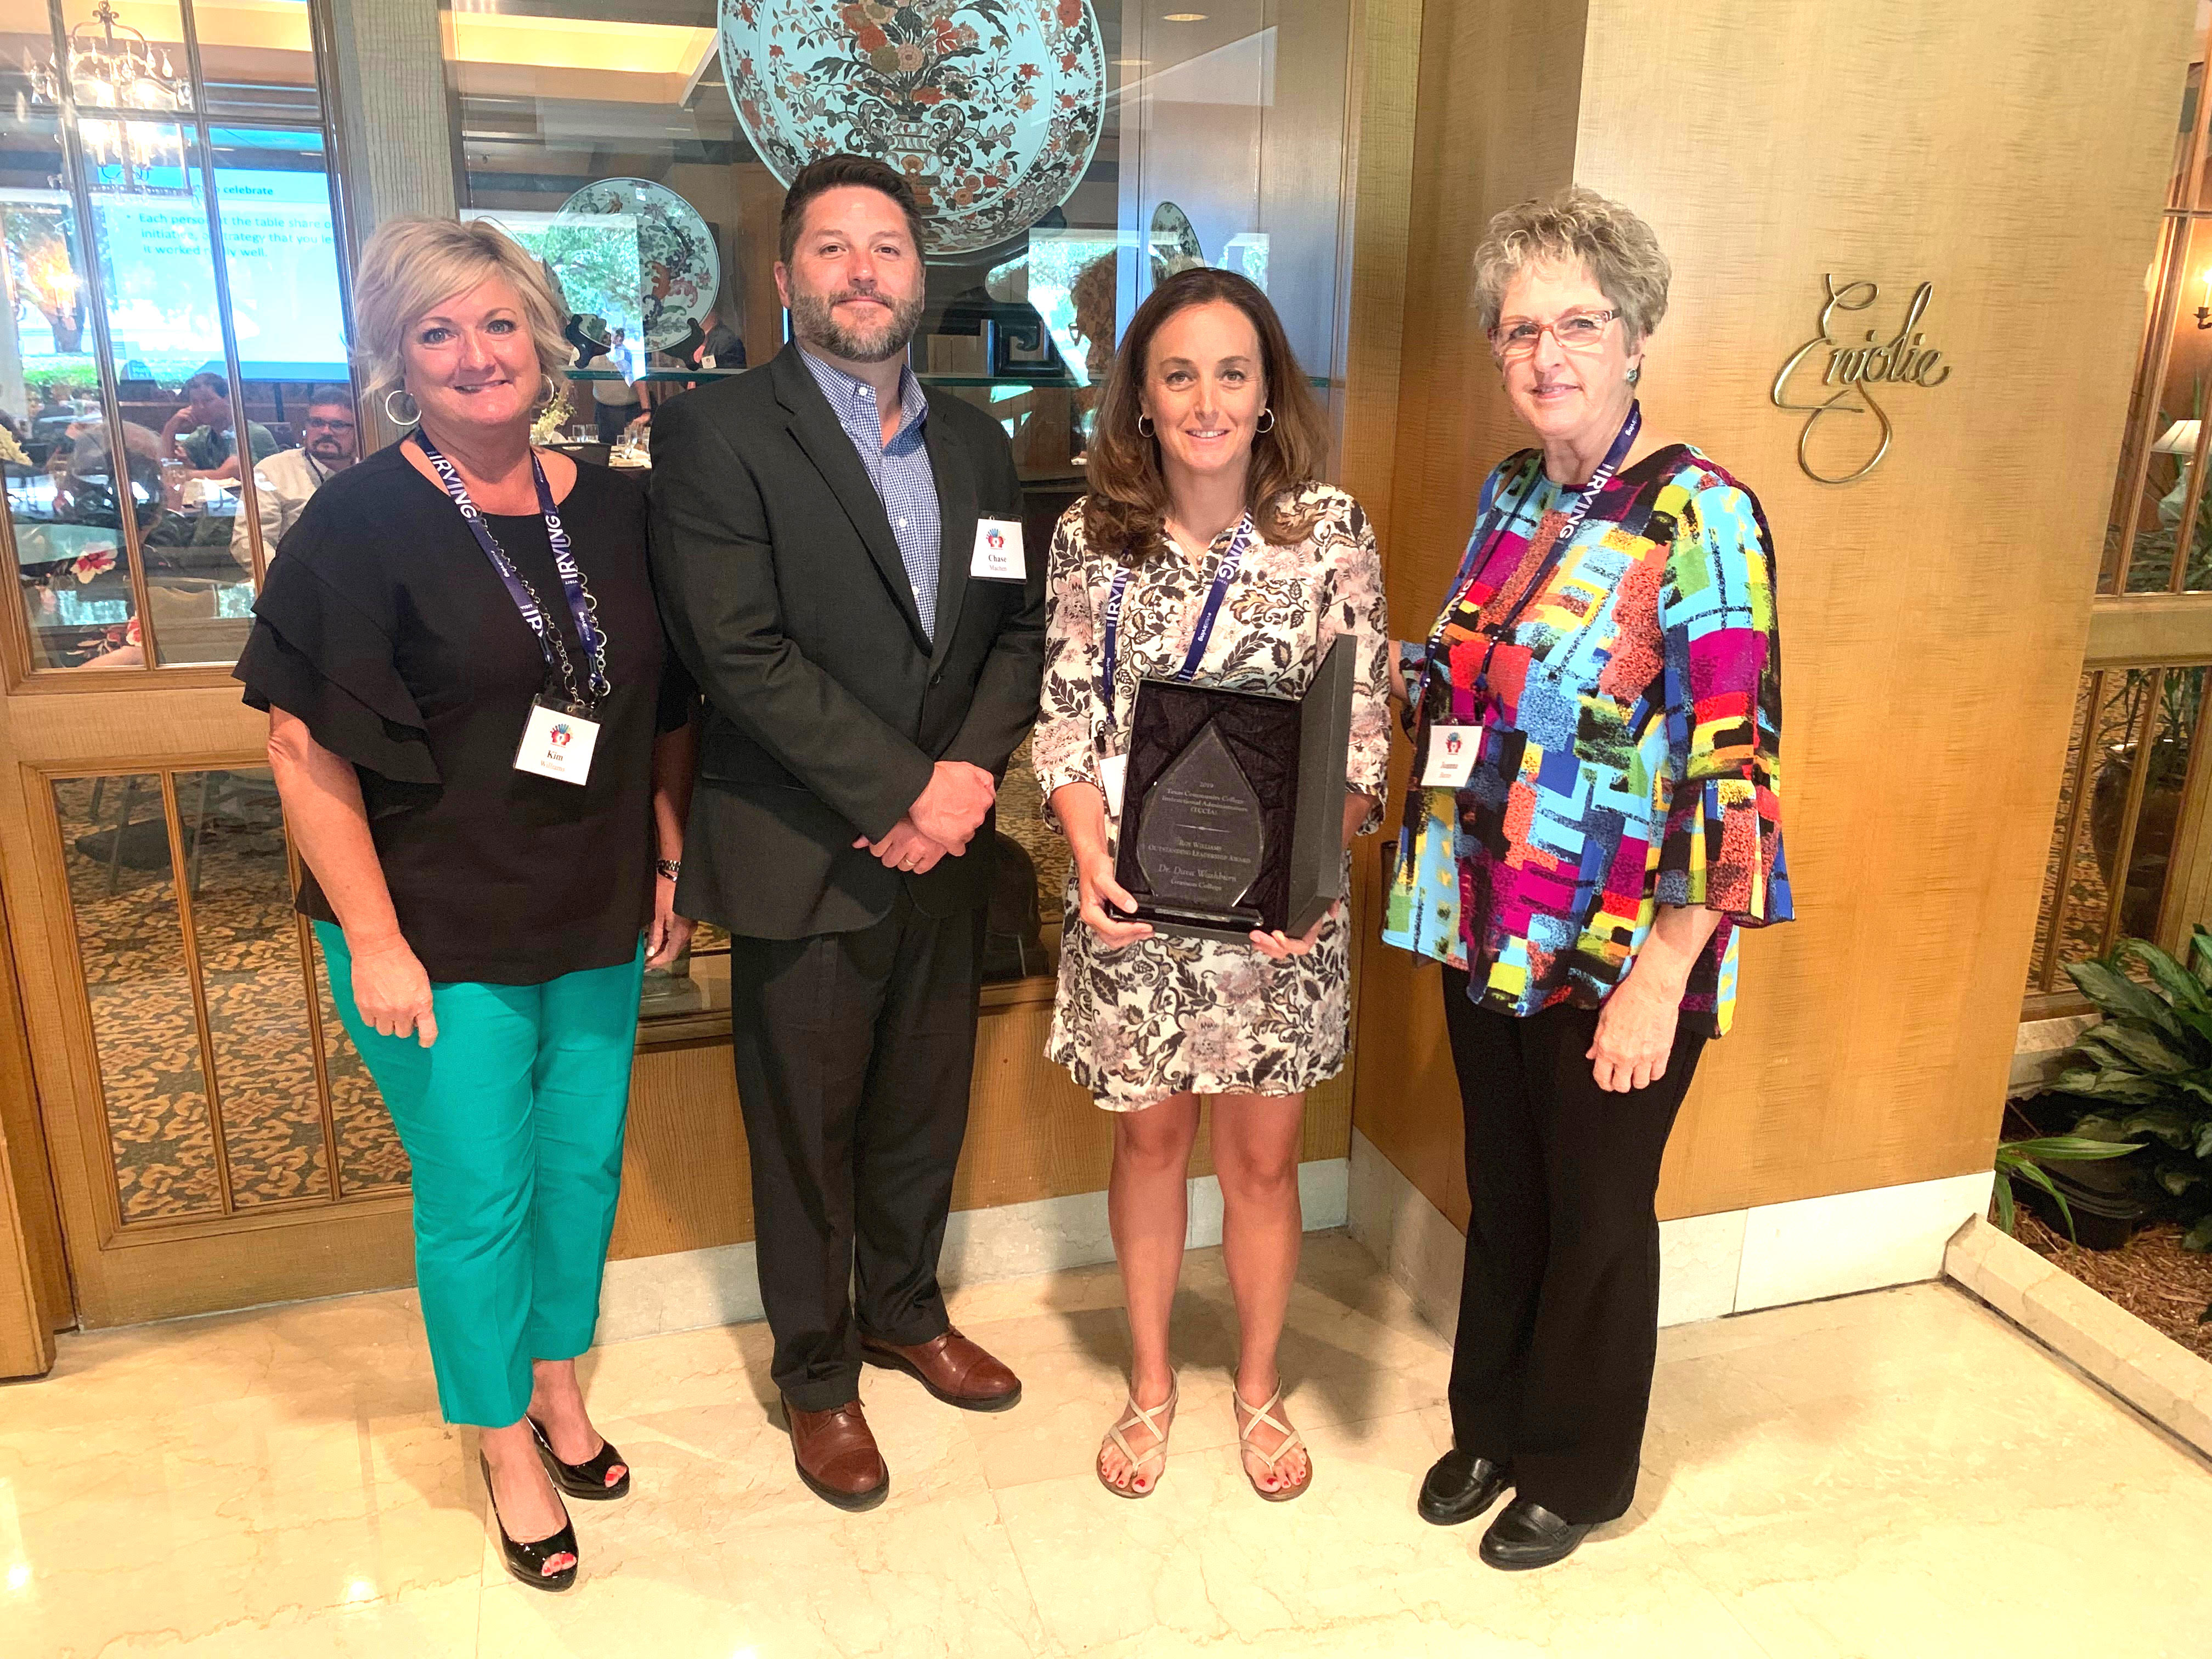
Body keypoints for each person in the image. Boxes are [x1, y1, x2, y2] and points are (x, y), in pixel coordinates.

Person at [233, 215, 698, 1593]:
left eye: (499, 323)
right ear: (399, 361)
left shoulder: (618, 504)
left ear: (545, 340)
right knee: (481, 1193)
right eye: (438, 332)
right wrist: (372, 938)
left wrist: (668, 852)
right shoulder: (360, 521)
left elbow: (660, 703)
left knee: (581, 1170)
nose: (476, 354)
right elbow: (301, 749)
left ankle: (558, 1385)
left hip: (594, 903)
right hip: (432, 929)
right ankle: (501, 1439)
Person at [1385, 185, 1791, 1569]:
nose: (1545, 355)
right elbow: (1479, 688)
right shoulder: (1511, 497)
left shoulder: (1701, 517)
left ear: (1634, 339)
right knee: (1507, 1193)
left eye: (1578, 324)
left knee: (1600, 1213)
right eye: (1520, 331)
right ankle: (1491, 1421)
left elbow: (1734, 772)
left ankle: (1577, 1463)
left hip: (1624, 946)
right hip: (1486, 917)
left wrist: (1664, 978)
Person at [648, 154, 1044, 1513]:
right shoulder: (719, 433)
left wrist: (968, 782)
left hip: (947, 845)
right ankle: (818, 1377)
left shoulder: (981, 440)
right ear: (784, 278)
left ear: (918, 274)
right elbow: (739, 654)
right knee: (804, 1131)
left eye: (886, 246)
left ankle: (906, 1309)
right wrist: (903, 793)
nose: (861, 270)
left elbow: (1016, 631)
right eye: (831, 248)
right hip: (807, 848)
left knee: (923, 1106)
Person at [1032, 267, 1390, 1503]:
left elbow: (1361, 735)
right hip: (1131, 911)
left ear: (1267, 389)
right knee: (1149, 1147)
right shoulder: (1091, 538)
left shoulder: (1329, 531)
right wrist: (1086, 848)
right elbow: (1067, 716)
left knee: (1262, 1163)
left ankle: (1255, 1385)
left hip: (1274, 925)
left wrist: (1313, 869)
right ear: (1140, 393)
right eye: (1177, 373)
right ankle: (1149, 1385)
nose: (1206, 399)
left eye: (1231, 372)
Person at [230, 385, 359, 562]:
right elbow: (249, 542)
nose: (325, 431)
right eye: (317, 423)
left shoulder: (371, 470)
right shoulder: (272, 470)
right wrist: (286, 580)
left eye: (337, 425)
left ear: (358, 431)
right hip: (295, 579)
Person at [161, 369, 277, 478]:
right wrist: (170, 428)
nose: (201, 407)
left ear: (228, 399)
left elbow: (230, 472)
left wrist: (186, 474)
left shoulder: (249, 432)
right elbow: (167, 465)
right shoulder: (203, 435)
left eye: (208, 401)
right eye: (195, 402)